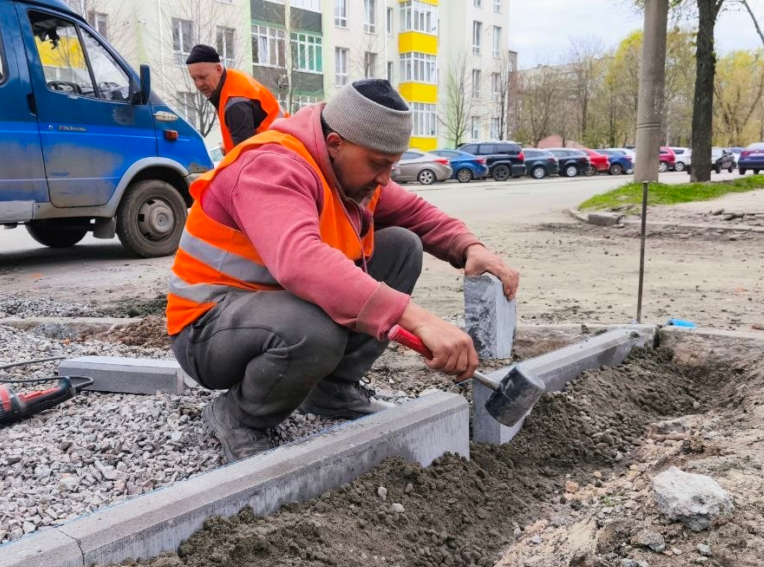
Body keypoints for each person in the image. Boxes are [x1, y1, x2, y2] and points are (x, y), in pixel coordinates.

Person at [167, 79, 520, 463]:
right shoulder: (271, 166)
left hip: (275, 310)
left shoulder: (352, 169)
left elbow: (415, 214)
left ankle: (331, 392)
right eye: (379, 164)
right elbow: (300, 261)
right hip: (208, 329)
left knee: (402, 246)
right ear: (335, 143)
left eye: (393, 165)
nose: (385, 178)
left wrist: (470, 247)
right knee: (313, 331)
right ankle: (239, 416)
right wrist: (417, 320)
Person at [185, 44, 283, 153]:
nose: (199, 84)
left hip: (278, 157)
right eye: (194, 79)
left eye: (203, 77)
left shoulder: (236, 104)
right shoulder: (233, 81)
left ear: (218, 69)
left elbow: (247, 157)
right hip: (282, 152)